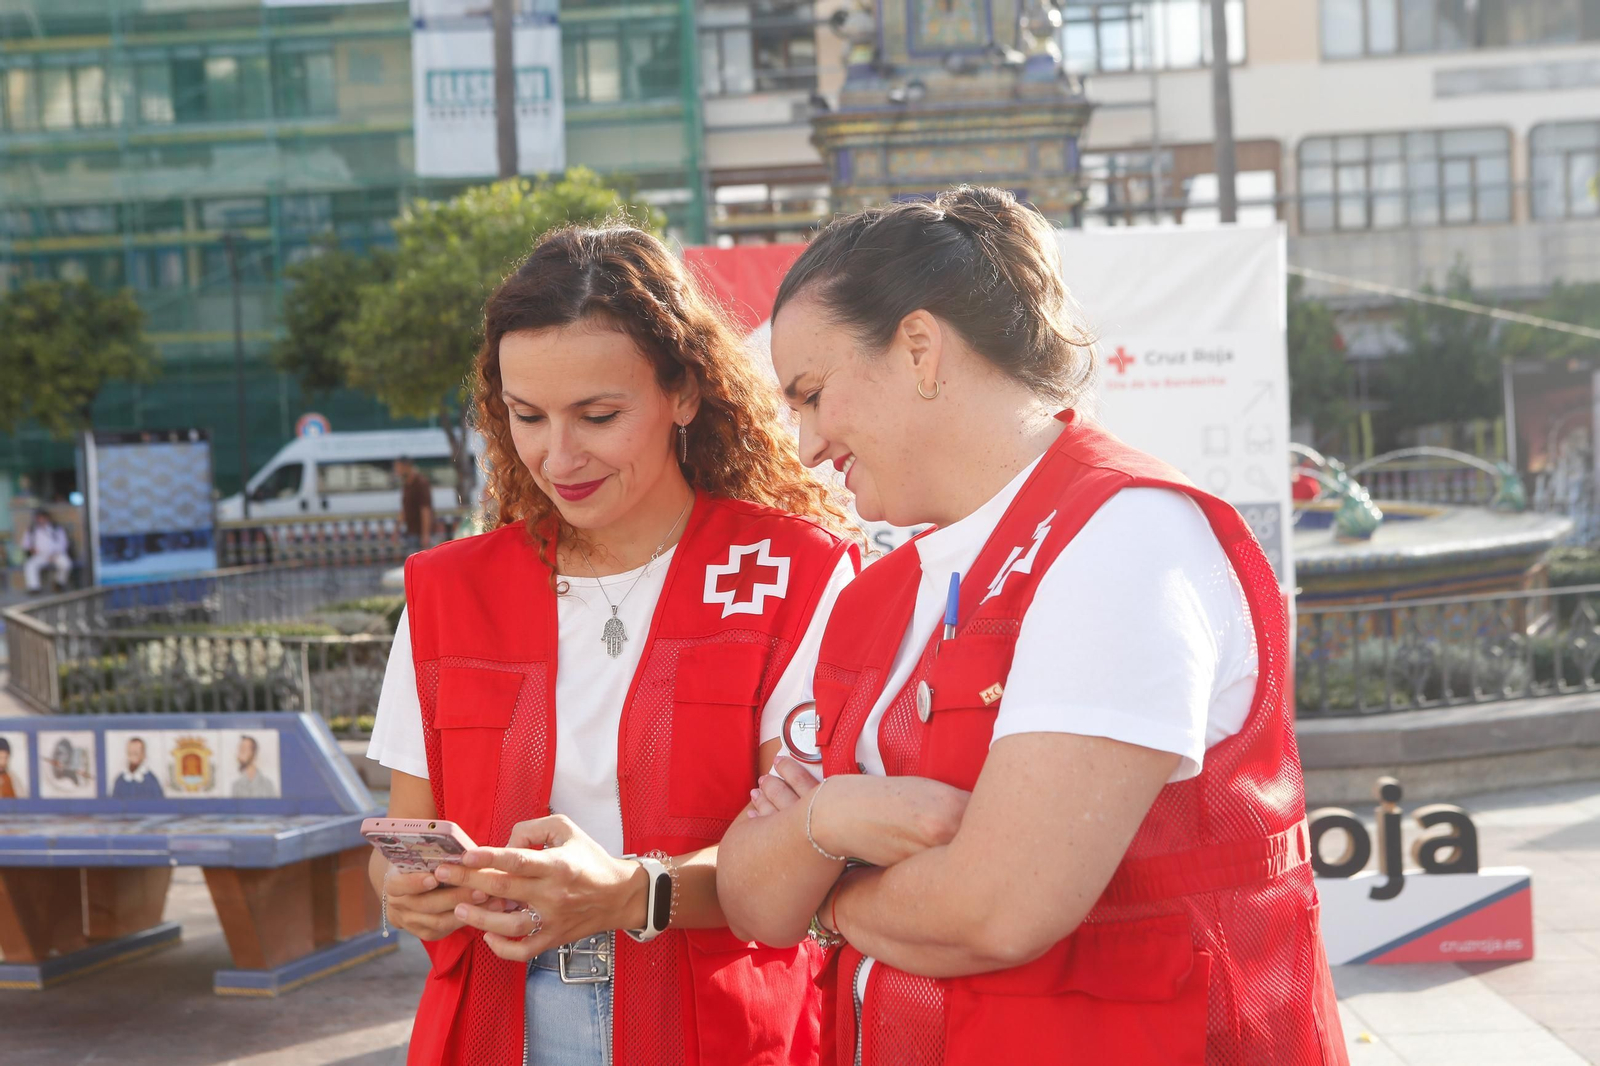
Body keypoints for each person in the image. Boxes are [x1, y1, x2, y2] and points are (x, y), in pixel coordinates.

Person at [718, 187, 1346, 1065]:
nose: (808, 444)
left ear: (920, 349)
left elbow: (1000, 906)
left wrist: (826, 888)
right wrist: (836, 816)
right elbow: (750, 896)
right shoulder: (883, 592)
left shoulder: (1125, 539)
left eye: (814, 394)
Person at [365, 224, 861, 1066]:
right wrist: (407, 892)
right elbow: (405, 839)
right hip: (491, 1027)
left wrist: (633, 894)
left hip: (716, 1030)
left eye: (598, 416)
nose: (559, 457)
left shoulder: (792, 575)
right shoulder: (448, 591)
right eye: (527, 416)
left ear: (687, 394)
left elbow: (809, 853)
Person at [21, 509, 72, 593]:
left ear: (47, 518)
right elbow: (25, 544)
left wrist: (55, 554)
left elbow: (64, 543)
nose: (40, 520)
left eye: (42, 518)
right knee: (30, 565)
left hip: (56, 554)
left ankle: (59, 583)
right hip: (40, 555)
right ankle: (34, 587)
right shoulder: (32, 530)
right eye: (39, 518)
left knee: (66, 564)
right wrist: (31, 549)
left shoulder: (56, 528)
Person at [396, 457, 436, 556]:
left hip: (420, 533)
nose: (397, 471)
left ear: (407, 467)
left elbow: (425, 510)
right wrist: (397, 529)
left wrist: (425, 535)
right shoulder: (406, 484)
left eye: (399, 468)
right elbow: (405, 509)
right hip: (411, 531)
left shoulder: (420, 483)